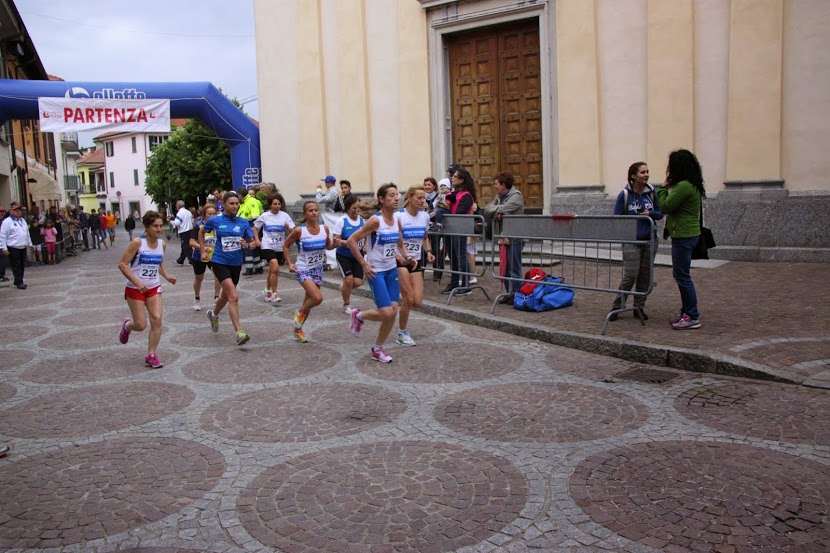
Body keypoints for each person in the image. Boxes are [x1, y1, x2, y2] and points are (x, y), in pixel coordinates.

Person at [346, 183, 408, 363]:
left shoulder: (396, 220)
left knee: (393, 311)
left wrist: (404, 256)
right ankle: (358, 315)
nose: (396, 198)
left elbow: (398, 242)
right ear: (381, 199)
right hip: (376, 272)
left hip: (391, 270)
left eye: (397, 195)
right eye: (391, 195)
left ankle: (377, 348)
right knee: (387, 313)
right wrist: (364, 264)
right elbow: (351, 241)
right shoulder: (375, 221)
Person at [117, 210, 177, 368]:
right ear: (146, 227)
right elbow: (122, 264)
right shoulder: (137, 243)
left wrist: (167, 276)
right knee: (141, 325)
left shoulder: (162, 244)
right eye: (155, 226)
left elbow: (159, 263)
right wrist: (137, 282)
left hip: (154, 287)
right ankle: (127, 326)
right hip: (135, 289)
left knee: (157, 319)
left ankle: (151, 355)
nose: (159, 230)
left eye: (160, 226)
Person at [201, 191, 258, 346]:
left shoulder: (243, 222)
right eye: (231, 203)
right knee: (233, 296)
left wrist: (247, 245)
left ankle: (213, 314)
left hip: (236, 263)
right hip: (219, 261)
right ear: (224, 204)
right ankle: (239, 332)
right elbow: (201, 231)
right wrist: (202, 249)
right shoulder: (215, 220)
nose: (235, 206)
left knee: (225, 296)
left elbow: (253, 242)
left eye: (237, 203)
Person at [608, 162, 663, 321]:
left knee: (645, 275)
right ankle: (618, 306)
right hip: (631, 240)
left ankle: (639, 307)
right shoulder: (624, 195)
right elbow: (617, 217)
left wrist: (650, 213)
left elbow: (660, 214)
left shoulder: (652, 192)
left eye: (647, 171)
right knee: (631, 274)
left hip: (650, 240)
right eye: (642, 172)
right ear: (633, 176)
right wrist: (634, 218)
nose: (646, 175)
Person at [658, 149, 705, 330]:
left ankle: (692, 315)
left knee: (682, 276)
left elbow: (665, 206)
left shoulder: (684, 186)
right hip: (687, 234)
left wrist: (662, 188)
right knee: (682, 275)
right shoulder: (691, 184)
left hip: (684, 236)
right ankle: (687, 312)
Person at [283, 201, 333, 343]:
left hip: (317, 269)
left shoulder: (325, 229)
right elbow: (285, 245)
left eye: (316, 210)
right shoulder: (300, 231)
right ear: (305, 214)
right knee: (317, 298)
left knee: (309, 301)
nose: (314, 213)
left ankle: (298, 330)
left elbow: (329, 246)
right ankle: (299, 313)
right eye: (310, 210)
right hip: (303, 269)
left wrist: (336, 242)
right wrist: (290, 263)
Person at [394, 185, 435, 346]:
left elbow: (425, 237)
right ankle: (402, 333)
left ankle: (396, 292)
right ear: (409, 198)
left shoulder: (424, 216)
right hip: (401, 261)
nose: (422, 201)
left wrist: (429, 251)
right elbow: (393, 241)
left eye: (424, 198)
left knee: (417, 301)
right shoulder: (399, 217)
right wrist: (400, 256)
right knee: (409, 299)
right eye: (419, 197)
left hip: (416, 261)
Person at [484, 172, 526, 304]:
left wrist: (495, 209)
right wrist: (497, 209)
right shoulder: (499, 196)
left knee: (514, 268)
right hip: (503, 237)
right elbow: (487, 210)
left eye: (496, 184)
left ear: (503, 185)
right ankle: (509, 293)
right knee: (505, 267)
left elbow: (501, 209)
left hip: (514, 238)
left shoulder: (516, 196)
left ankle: (517, 295)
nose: (494, 186)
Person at [252, 193, 295, 303]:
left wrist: (288, 228)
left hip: (280, 247)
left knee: (272, 270)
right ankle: (275, 293)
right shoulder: (265, 216)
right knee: (275, 268)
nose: (277, 206)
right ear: (270, 205)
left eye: (279, 204)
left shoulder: (285, 216)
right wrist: (257, 240)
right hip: (267, 246)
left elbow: (294, 231)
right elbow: (255, 228)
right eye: (274, 204)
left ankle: (267, 290)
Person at [442, 168, 477, 296]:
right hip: (452, 229)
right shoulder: (456, 193)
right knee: (454, 258)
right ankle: (454, 282)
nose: (452, 178)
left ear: (461, 180)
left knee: (461, 256)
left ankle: (466, 284)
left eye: (455, 176)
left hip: (460, 229)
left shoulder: (466, 195)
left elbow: (460, 212)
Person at [331, 194, 367, 314]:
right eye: (354, 208)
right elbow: (336, 240)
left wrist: (366, 245)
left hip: (358, 255)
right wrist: (347, 242)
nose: (357, 211)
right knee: (348, 280)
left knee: (357, 282)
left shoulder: (363, 220)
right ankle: (346, 305)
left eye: (358, 208)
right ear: (347, 209)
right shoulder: (342, 221)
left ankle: (344, 288)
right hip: (344, 255)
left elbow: (366, 236)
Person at [188, 203, 221, 311]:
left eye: (213, 214)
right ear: (204, 215)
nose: (211, 216)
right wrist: (202, 247)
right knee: (199, 278)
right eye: (209, 214)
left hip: (214, 255)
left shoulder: (218, 225)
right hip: (199, 256)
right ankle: (197, 299)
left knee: (218, 276)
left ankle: (217, 298)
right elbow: (191, 242)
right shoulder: (199, 226)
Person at [0, 202, 33, 289]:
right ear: (11, 211)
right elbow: (3, 235)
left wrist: (30, 244)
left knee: (22, 264)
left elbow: (27, 233)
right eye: (16, 210)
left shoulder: (22, 220)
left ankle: (18, 279)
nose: (19, 212)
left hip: (22, 246)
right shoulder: (7, 222)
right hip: (13, 247)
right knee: (16, 265)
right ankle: (19, 281)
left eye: (19, 210)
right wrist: (3, 248)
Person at [237, 187, 264, 275]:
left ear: (240, 195)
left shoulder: (251, 201)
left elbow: (255, 217)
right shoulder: (244, 202)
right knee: (254, 249)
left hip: (249, 227)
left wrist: (252, 229)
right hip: (246, 227)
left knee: (248, 248)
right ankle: (258, 267)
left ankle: (249, 269)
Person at [316, 175, 339, 270]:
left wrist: (318, 190)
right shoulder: (331, 191)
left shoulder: (333, 191)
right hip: (328, 217)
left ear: (329, 183)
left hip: (331, 216)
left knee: (329, 235)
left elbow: (319, 200)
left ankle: (330, 258)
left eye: (326, 182)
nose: (325, 184)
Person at [169, 200, 194, 265]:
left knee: (185, 246)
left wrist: (170, 221)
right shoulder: (188, 212)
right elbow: (192, 221)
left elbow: (177, 223)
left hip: (184, 231)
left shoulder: (180, 213)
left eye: (176, 205)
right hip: (190, 230)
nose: (176, 206)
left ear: (178, 205)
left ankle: (191, 260)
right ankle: (180, 260)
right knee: (185, 245)